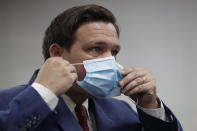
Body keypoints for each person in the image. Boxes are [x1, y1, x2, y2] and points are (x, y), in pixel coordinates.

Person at [0, 4, 183, 131]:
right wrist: (42, 93)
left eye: (114, 51)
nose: (110, 60)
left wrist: (149, 105)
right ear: (57, 54)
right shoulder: (5, 103)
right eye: (96, 49)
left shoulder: (122, 111)